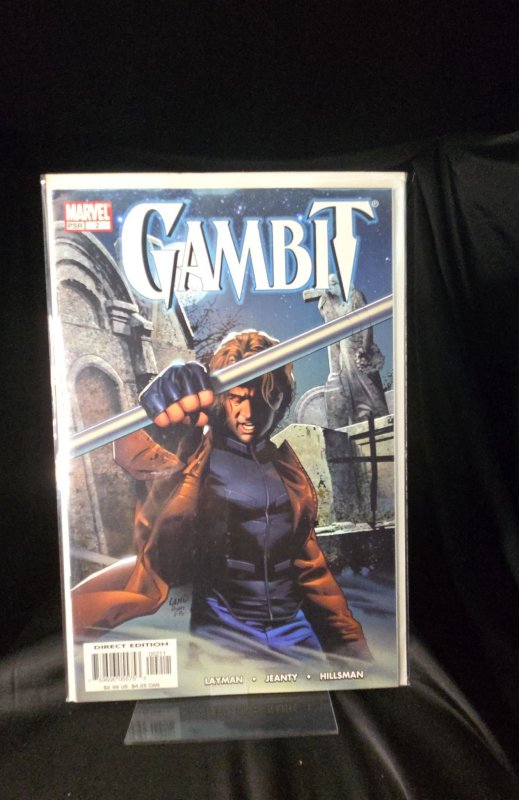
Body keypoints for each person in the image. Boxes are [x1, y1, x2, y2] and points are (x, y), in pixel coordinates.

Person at [73, 330, 371, 661]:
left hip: (294, 629)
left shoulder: (288, 472)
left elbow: (310, 569)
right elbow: (137, 456)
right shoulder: (197, 456)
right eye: (237, 398)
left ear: (281, 399)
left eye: (265, 398)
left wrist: (352, 648)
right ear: (221, 399)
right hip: (224, 629)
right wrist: (160, 416)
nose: (249, 414)